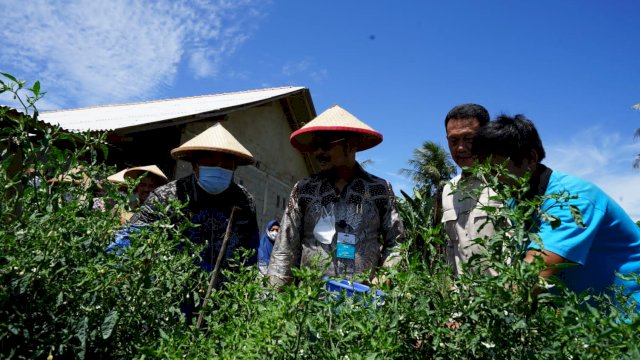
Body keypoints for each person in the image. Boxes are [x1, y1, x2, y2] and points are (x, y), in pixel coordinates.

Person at [472, 114, 640, 307]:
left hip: (629, 315)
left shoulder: (572, 199)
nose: (492, 179)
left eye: (497, 169)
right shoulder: (517, 201)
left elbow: (535, 273)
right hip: (588, 320)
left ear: (530, 159)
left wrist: (478, 313)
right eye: (486, 171)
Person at [267, 105, 405, 287]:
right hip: (312, 300)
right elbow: (285, 247)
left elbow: (397, 242)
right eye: (315, 146)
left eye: (325, 145)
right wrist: (276, 300)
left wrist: (384, 277)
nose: (318, 153)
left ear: (351, 144)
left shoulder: (379, 189)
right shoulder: (304, 190)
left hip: (364, 301)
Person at [110, 123, 260, 275]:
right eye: (210, 161)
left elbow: (251, 249)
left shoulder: (243, 200)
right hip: (174, 287)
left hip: (224, 290)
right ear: (195, 165)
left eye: (226, 162)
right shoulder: (168, 195)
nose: (219, 167)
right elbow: (130, 238)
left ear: (234, 167)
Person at [441, 104, 500, 276]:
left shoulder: (505, 182)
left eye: (469, 139)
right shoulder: (448, 189)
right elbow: (452, 247)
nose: (460, 147)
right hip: (464, 300)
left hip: (505, 297)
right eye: (453, 140)